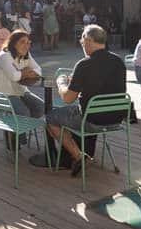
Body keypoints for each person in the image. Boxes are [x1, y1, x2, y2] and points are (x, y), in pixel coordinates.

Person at [47, 25, 128, 176]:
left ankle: (79, 156)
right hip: (116, 119)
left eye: (82, 41)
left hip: (91, 120)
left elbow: (68, 98)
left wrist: (61, 82)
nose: (82, 44)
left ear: (88, 40)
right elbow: (104, 85)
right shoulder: (118, 61)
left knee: (51, 117)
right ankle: (81, 153)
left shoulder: (84, 64)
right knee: (87, 110)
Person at [0, 30, 43, 149]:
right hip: (1, 93)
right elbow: (14, 76)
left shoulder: (26, 54)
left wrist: (24, 73)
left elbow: (38, 70)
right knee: (23, 112)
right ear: (13, 43)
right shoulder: (5, 55)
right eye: (22, 42)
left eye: (28, 43)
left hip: (19, 90)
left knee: (40, 107)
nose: (26, 45)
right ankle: (15, 134)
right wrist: (25, 73)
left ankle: (16, 130)